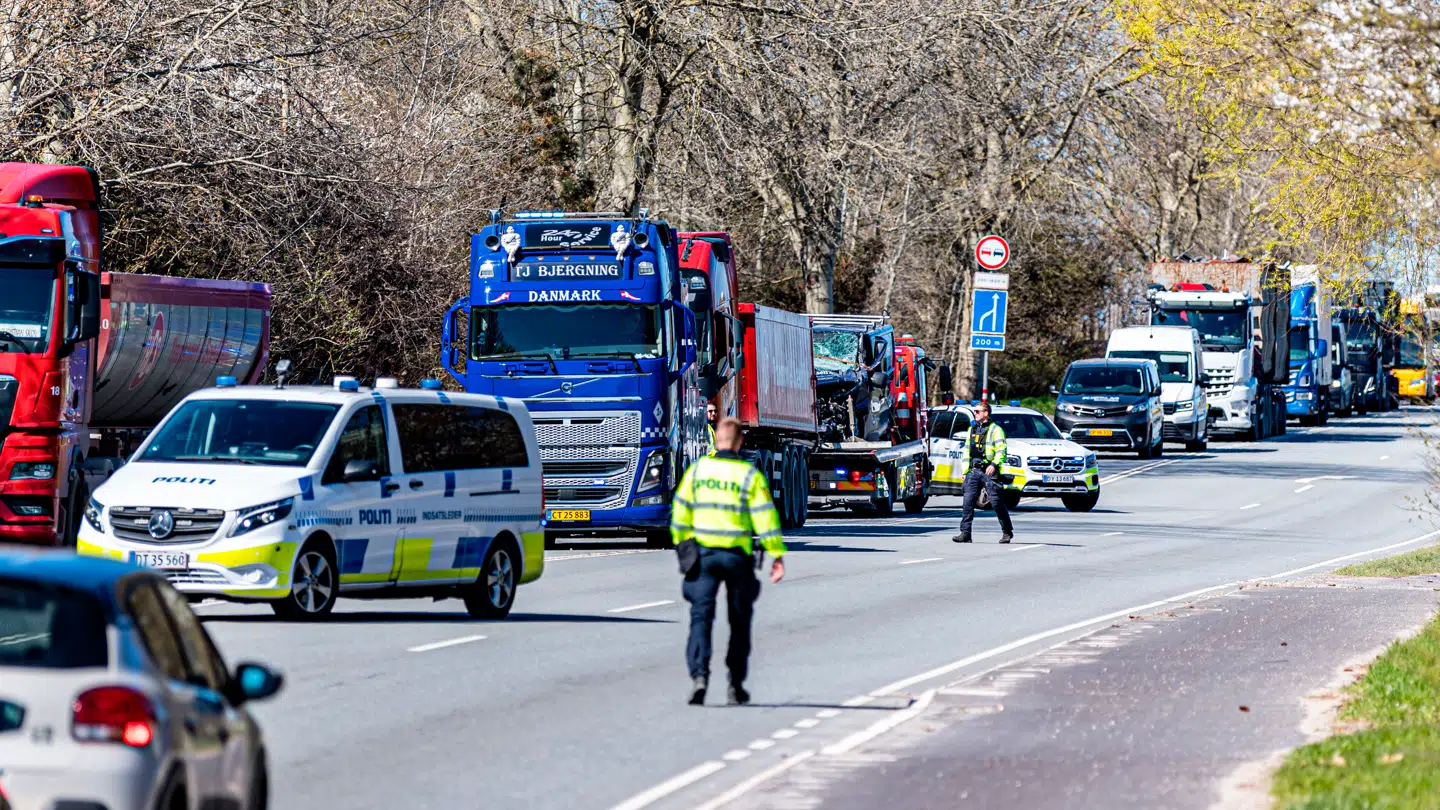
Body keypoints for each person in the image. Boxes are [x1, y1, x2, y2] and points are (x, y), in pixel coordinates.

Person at [671, 417, 786, 706]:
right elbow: (765, 518)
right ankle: (735, 684)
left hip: (703, 556)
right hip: (737, 557)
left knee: (701, 617)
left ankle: (699, 677)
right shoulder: (748, 476)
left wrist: (684, 549)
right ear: (739, 442)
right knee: (739, 621)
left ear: (717, 440)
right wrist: (776, 554)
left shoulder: (697, 472)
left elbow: (680, 513)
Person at [952, 401, 1015, 544]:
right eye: (974, 411)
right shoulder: (972, 429)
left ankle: (1007, 532)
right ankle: (965, 533)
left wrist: (994, 464)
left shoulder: (996, 430)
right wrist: (965, 471)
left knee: (996, 502)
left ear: (986, 414)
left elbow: (1001, 450)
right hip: (973, 470)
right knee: (968, 502)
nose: (975, 413)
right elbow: (967, 451)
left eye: (977, 411)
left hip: (989, 470)